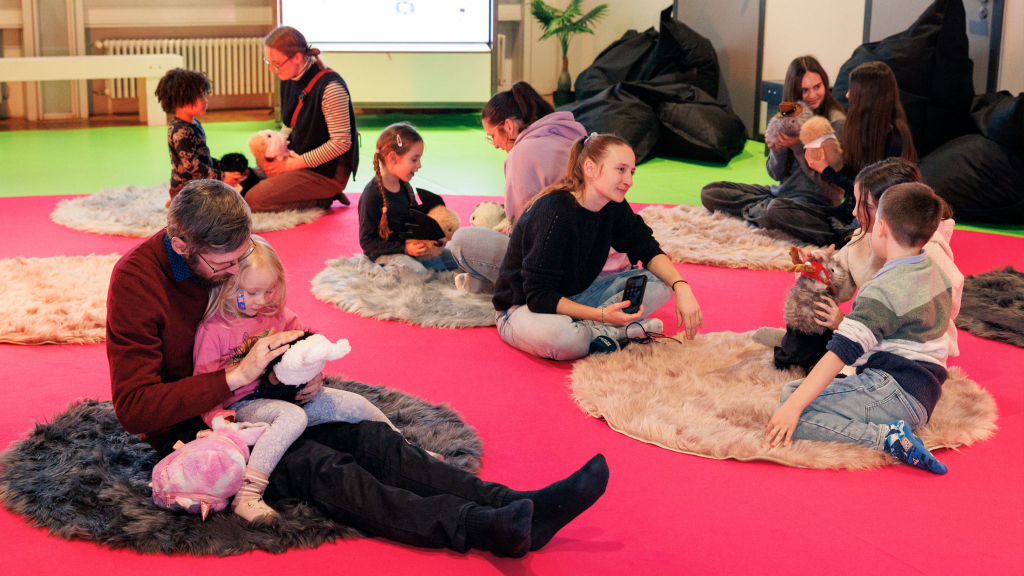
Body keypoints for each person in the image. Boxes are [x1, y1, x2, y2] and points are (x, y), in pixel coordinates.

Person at [107, 179, 610, 557]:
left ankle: (520, 504)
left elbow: (272, 319)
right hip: (212, 428)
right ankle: (476, 526)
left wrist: (300, 364)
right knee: (325, 469)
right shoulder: (137, 283)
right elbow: (133, 408)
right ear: (182, 247)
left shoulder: (229, 258)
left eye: (242, 259)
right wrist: (234, 380)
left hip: (266, 392)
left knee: (375, 440)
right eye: (224, 267)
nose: (236, 274)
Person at [192, 235, 403, 523]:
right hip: (243, 406)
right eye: (251, 292)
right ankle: (248, 494)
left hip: (288, 396)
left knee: (355, 404)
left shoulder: (282, 318)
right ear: (228, 285)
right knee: (293, 418)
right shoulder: (214, 329)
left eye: (269, 291)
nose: (261, 300)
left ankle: (406, 449)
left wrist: (315, 378)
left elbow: (304, 354)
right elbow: (203, 385)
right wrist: (219, 420)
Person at [763, 183, 954, 475]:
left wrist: (792, 409)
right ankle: (887, 426)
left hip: (894, 390)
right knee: (797, 394)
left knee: (792, 406)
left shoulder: (882, 289)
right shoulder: (936, 272)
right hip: (924, 393)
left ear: (881, 228)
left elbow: (840, 352)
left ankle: (886, 438)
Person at [492, 134, 703, 361]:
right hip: (524, 309)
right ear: (590, 169)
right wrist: (601, 315)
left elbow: (648, 248)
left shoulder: (613, 206)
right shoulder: (555, 211)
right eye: (620, 169)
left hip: (577, 295)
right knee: (563, 338)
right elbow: (539, 296)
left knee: (664, 282)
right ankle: (615, 331)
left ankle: (600, 331)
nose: (629, 181)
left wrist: (683, 287)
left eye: (631, 172)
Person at [759, 158, 963, 371]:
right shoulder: (862, 238)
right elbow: (840, 287)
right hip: (866, 330)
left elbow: (925, 321)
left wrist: (844, 325)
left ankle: (805, 354)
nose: (855, 212)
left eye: (862, 205)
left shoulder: (927, 254)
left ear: (890, 209)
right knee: (809, 299)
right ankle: (795, 349)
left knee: (835, 377)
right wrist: (819, 271)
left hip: (906, 349)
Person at [447, 82, 630, 294]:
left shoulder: (522, 153)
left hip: (570, 273)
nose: (495, 144)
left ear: (508, 126)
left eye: (492, 136)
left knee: (461, 241)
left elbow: (521, 233)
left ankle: (497, 285)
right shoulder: (576, 136)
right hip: (615, 264)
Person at [700, 56, 848, 246]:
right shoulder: (789, 115)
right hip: (780, 194)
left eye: (817, 87)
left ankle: (763, 214)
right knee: (711, 192)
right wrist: (778, 149)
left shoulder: (835, 122)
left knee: (776, 210)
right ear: (794, 91)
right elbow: (774, 173)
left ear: (825, 84)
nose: (812, 95)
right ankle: (763, 213)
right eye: (804, 90)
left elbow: (828, 184)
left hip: (813, 203)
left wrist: (797, 145)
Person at [243, 26, 358, 212]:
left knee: (253, 200)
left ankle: (323, 198)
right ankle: (309, 191)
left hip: (327, 172)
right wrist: (278, 155)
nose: (272, 69)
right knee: (248, 182)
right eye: (268, 62)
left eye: (276, 64)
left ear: (297, 57)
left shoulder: (331, 87)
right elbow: (289, 124)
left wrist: (290, 165)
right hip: (299, 157)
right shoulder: (288, 77)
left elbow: (341, 143)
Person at [357, 122, 458, 280]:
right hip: (386, 254)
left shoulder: (405, 186)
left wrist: (432, 236)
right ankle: (371, 269)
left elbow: (415, 220)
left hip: (410, 247)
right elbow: (367, 242)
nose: (419, 165)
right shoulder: (372, 195)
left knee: (456, 258)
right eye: (414, 159)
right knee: (416, 272)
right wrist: (405, 249)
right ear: (393, 158)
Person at [805, 61, 917, 199]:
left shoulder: (894, 141)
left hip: (871, 216)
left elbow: (870, 194)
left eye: (853, 90)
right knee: (778, 207)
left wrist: (827, 171)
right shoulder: (863, 129)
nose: (847, 95)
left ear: (867, 96)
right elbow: (854, 176)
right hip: (851, 209)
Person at [155, 68, 245, 200]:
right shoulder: (180, 131)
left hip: (200, 182)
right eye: (199, 96)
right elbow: (191, 165)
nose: (205, 101)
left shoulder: (194, 124)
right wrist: (222, 176)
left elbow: (202, 156)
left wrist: (223, 168)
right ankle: (177, 202)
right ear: (181, 99)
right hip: (187, 190)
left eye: (204, 95)